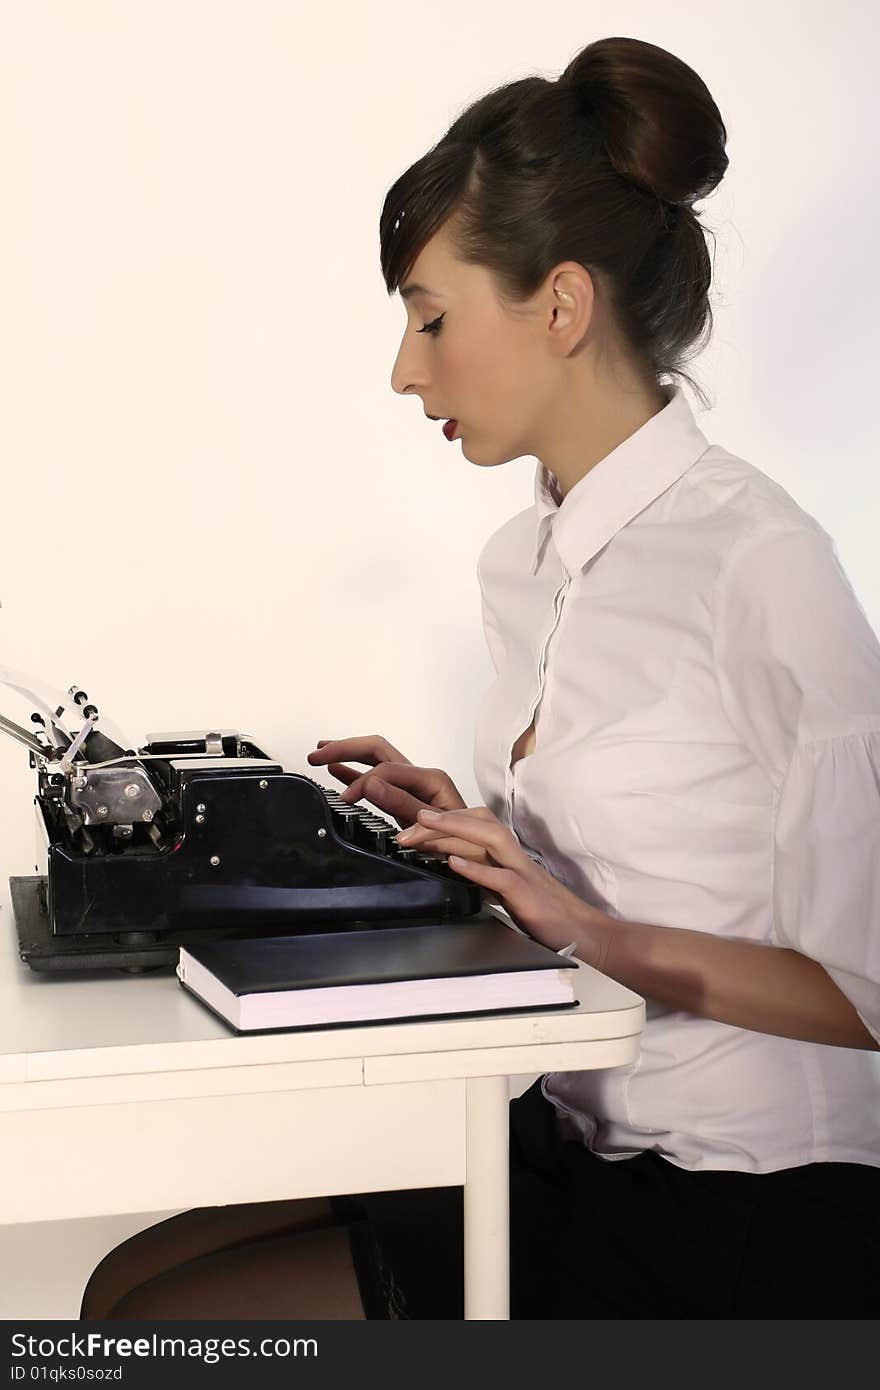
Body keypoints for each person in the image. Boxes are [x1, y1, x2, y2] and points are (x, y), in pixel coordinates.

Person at [79, 34, 880, 1320]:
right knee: (120, 1281)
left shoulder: (762, 561)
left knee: (146, 1329)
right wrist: (469, 831)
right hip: (574, 1140)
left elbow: (864, 995)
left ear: (561, 306)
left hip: (748, 1207)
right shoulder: (526, 562)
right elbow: (651, 843)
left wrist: (588, 930)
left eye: (431, 318)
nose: (405, 368)